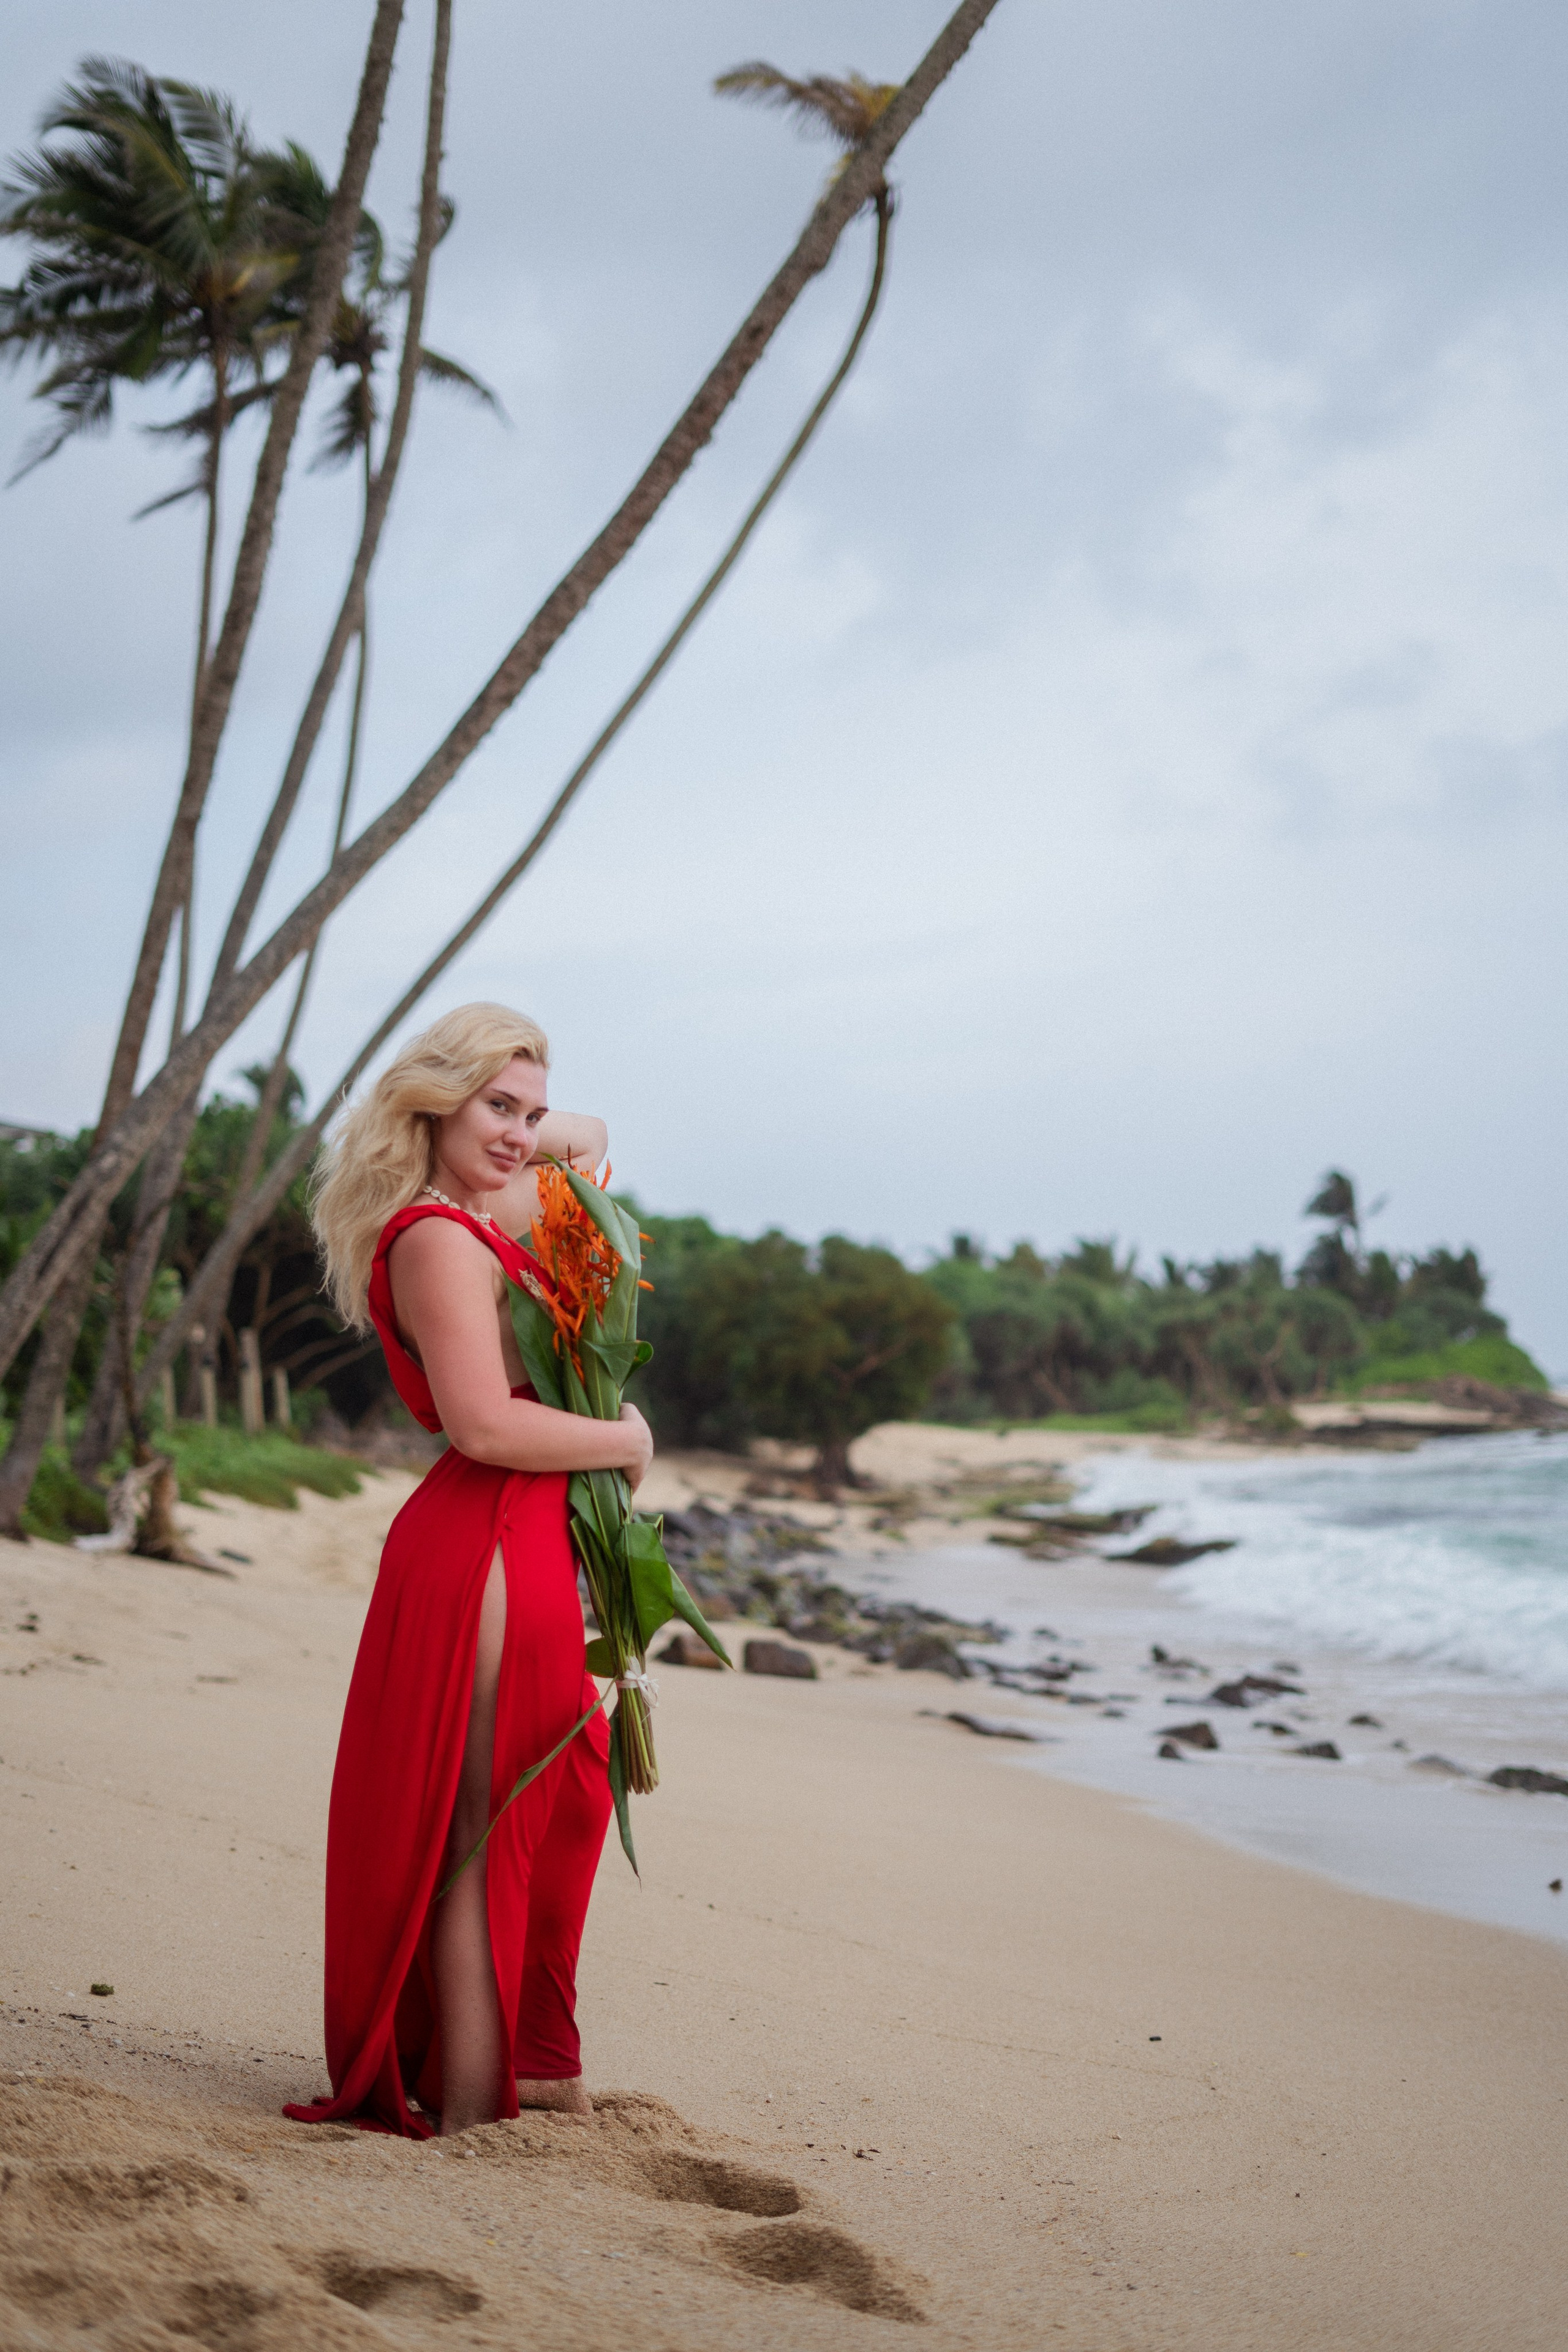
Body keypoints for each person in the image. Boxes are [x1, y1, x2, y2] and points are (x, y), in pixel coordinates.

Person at [284, 1003, 652, 2138]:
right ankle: (477, 2113)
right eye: (499, 1105)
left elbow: (591, 1136)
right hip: (484, 1538)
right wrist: (629, 1440)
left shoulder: (493, 1203)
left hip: (524, 1536)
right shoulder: (440, 1237)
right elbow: (483, 1426)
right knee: (479, 1837)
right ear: (434, 1100)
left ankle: (511, 2077)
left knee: (555, 1798)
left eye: (526, 1110)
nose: (523, 1134)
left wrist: (512, 1118)